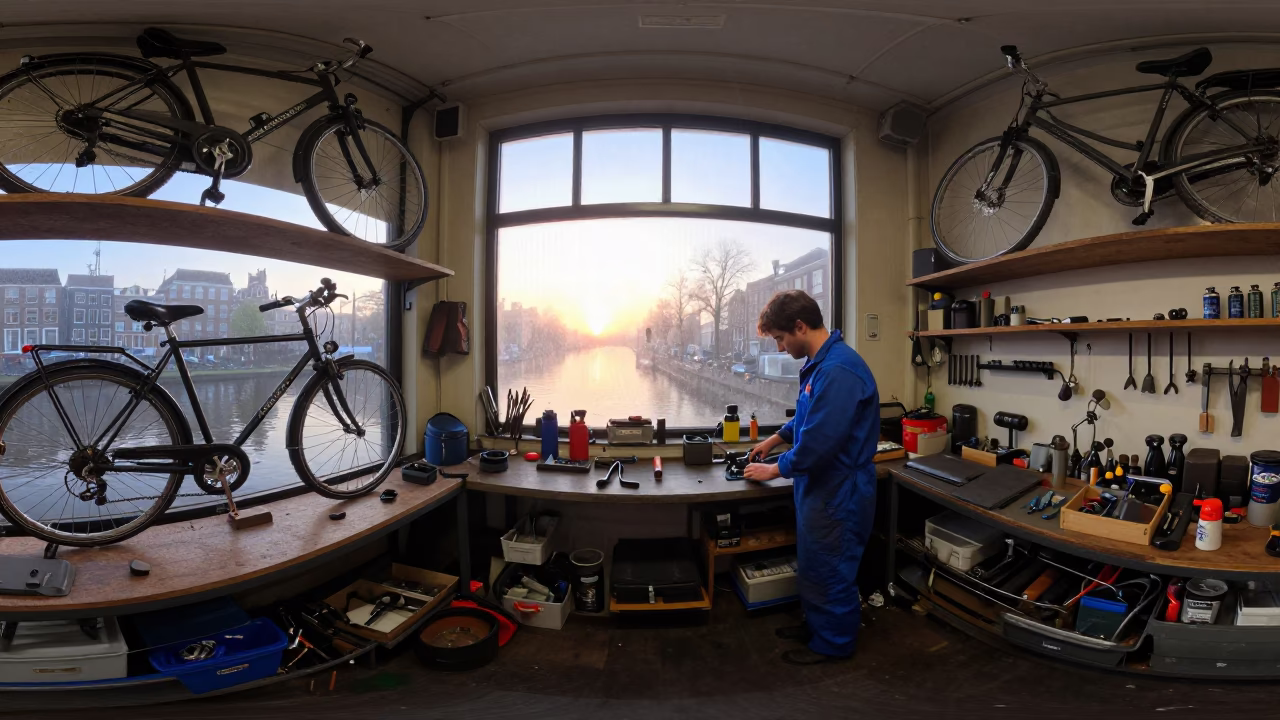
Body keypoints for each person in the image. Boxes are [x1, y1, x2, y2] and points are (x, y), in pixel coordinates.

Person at [743, 289, 879, 666]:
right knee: (816, 565)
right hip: (820, 486)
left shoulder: (838, 370)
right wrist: (774, 439)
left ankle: (834, 644)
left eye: (781, 338)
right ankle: (817, 627)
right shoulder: (822, 364)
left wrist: (774, 469)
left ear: (800, 326)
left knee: (832, 569)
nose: (782, 346)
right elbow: (806, 418)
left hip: (839, 489)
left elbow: (819, 442)